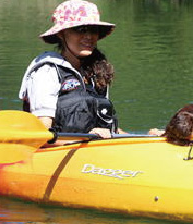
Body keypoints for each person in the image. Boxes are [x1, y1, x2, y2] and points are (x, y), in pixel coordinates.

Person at [19, 0, 161, 141]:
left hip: (93, 152)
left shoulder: (97, 72)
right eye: (80, 30)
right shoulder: (46, 71)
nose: (89, 36)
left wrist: (146, 139)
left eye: (93, 30)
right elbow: (41, 136)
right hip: (58, 154)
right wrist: (86, 140)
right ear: (61, 34)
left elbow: (109, 129)